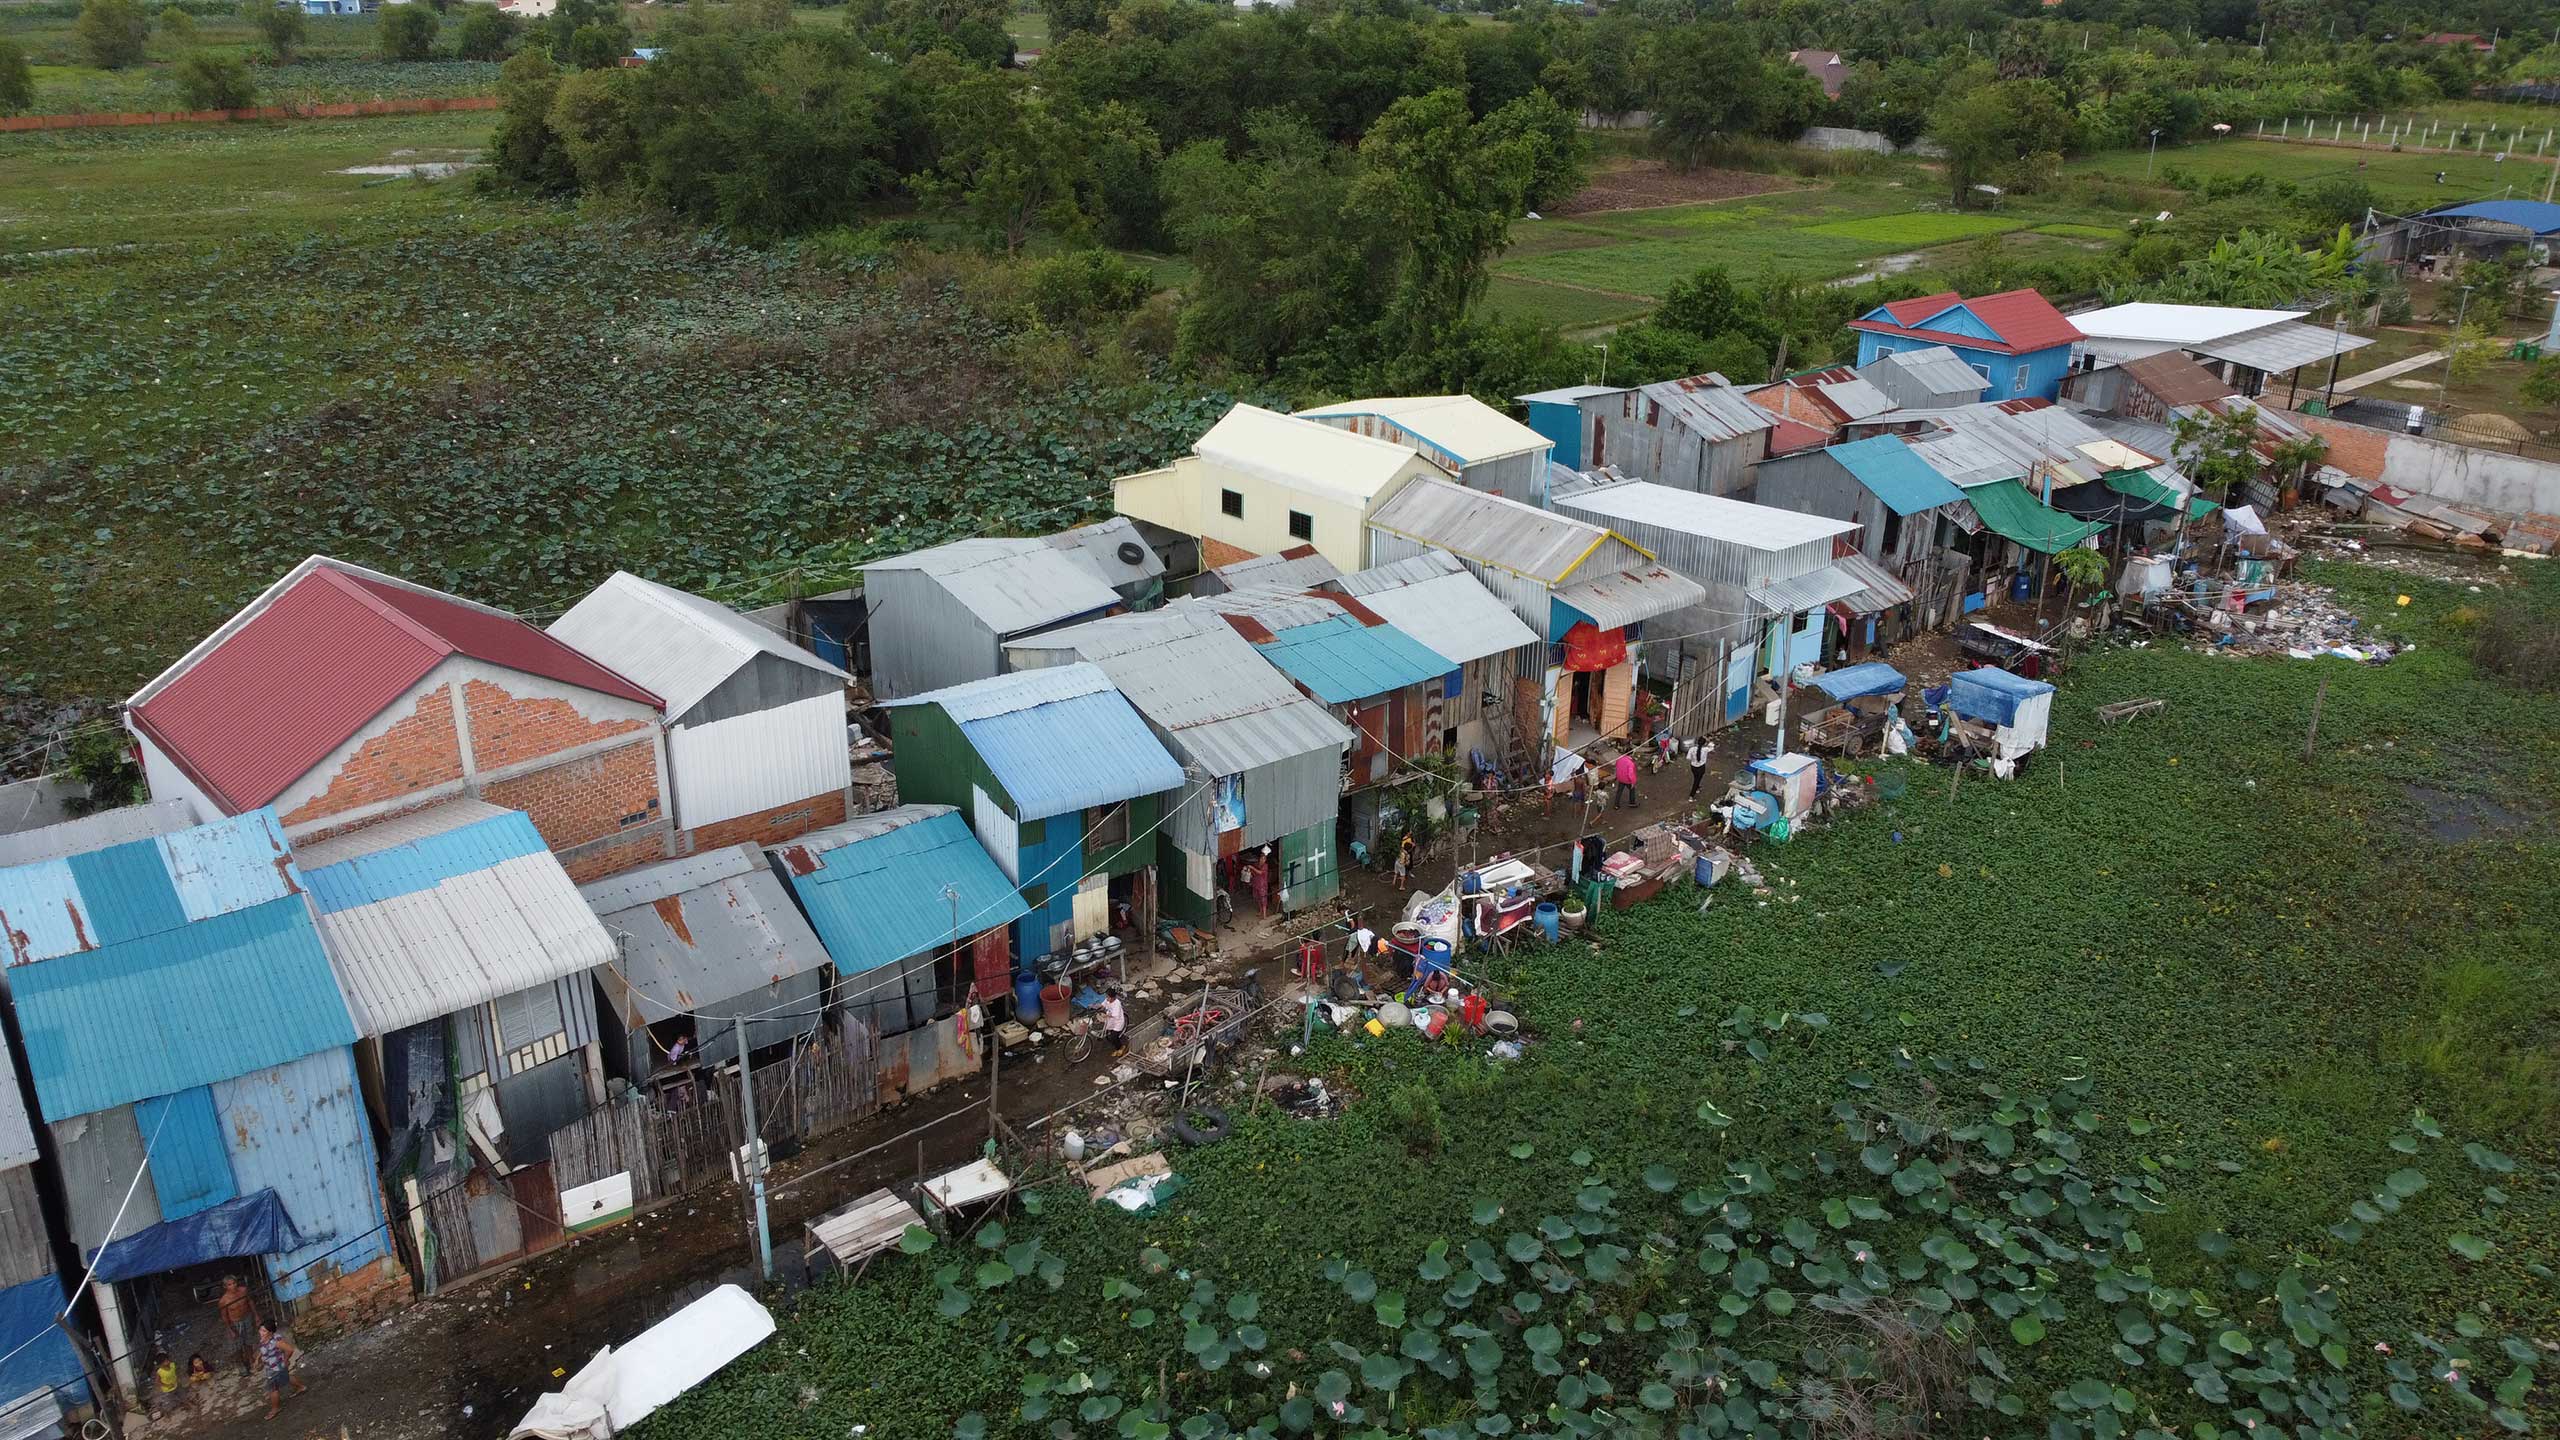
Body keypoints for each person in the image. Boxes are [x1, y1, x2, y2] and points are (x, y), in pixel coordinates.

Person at [256, 1323, 304, 1419]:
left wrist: (285, 1360)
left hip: (275, 1368)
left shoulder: (275, 1342)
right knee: (286, 1376)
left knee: (273, 1389)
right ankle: (301, 1387)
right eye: (260, 1330)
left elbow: (290, 1350)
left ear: (270, 1332)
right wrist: (257, 1359)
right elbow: (262, 1349)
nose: (260, 1332)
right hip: (273, 1366)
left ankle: (275, 1409)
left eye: (263, 1331)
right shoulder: (265, 1338)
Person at [217, 1275, 257, 1376]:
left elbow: (250, 1301)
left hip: (247, 1317)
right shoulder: (224, 1301)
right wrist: (230, 1329)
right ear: (225, 1287)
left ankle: (251, 1360)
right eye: (230, 1284)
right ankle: (241, 1364)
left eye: (234, 1283)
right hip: (235, 1322)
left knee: (249, 1340)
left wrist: (256, 1315)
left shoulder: (243, 1290)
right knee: (237, 1345)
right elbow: (224, 1316)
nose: (233, 1286)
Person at [1101, 987, 1127, 1059]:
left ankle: (1120, 1048)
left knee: (1114, 1037)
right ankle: (1116, 1044)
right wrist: (1096, 1007)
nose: (1106, 998)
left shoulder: (1117, 1004)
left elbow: (1115, 1015)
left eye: (1108, 997)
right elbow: (1103, 1005)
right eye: (1106, 996)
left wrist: (1105, 1015)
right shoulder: (1108, 1000)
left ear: (1113, 997)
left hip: (1118, 1022)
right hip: (1111, 1020)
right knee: (1110, 1033)